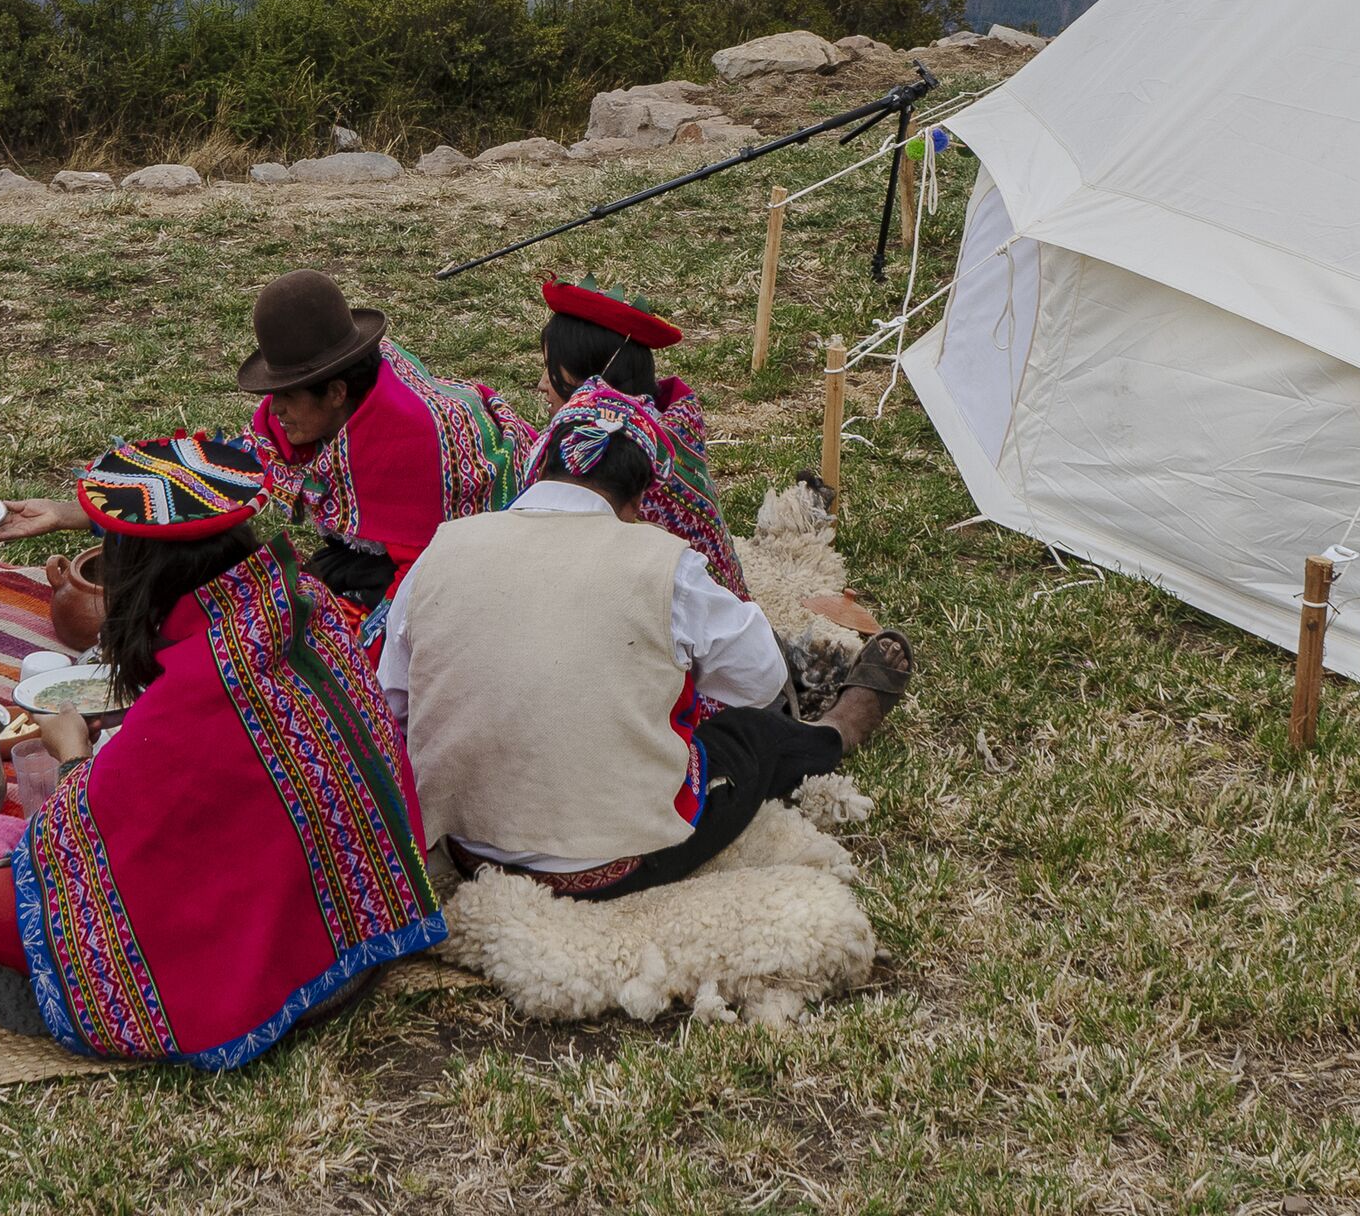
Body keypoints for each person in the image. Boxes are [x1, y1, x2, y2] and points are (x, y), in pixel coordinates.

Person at [0, 432, 444, 1067]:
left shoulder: (200, 683)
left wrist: (74, 756)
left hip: (285, 964)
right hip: (371, 924)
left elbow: (88, 840)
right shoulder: (300, 606)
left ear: (136, 574)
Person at [378, 381, 912, 899]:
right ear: (637, 499)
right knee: (752, 734)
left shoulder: (442, 550)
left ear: (541, 467)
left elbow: (394, 704)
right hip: (617, 858)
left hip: (470, 850)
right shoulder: (663, 565)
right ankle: (837, 731)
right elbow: (763, 677)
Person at [238, 270, 537, 610]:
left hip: (454, 563)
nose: (274, 408)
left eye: (287, 395)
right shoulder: (306, 409)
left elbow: (420, 575)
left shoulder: (408, 447)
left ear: (336, 392)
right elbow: (241, 461)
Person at [530, 278, 747, 598]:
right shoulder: (643, 435)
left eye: (552, 368)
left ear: (592, 375)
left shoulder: (628, 462)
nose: (541, 384)